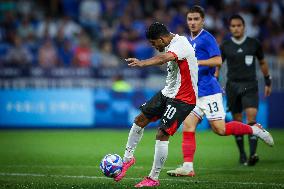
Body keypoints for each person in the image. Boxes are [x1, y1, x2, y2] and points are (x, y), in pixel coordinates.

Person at [167, 6, 274, 177]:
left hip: (209, 92)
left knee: (220, 129)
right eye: (190, 19)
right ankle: (188, 166)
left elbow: (218, 60)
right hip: (195, 93)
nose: (193, 22)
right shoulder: (188, 40)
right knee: (188, 125)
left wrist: (197, 62)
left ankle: (255, 130)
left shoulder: (207, 38)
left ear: (202, 20)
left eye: (196, 19)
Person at [114, 22, 198, 187]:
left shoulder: (181, 44)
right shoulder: (167, 40)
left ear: (161, 38)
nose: (154, 46)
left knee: (162, 133)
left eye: (154, 43)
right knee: (140, 120)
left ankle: (153, 178)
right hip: (168, 92)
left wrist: (142, 63)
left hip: (184, 97)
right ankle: (127, 159)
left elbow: (163, 58)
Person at [220, 14, 273, 166]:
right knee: (237, 121)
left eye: (239, 25)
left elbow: (262, 62)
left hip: (249, 85)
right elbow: (218, 64)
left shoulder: (254, 44)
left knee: (251, 119)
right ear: (230, 28)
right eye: (233, 26)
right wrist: (215, 81)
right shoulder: (225, 46)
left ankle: (253, 154)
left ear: (244, 27)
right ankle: (242, 154)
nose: (236, 28)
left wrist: (268, 80)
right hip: (232, 86)